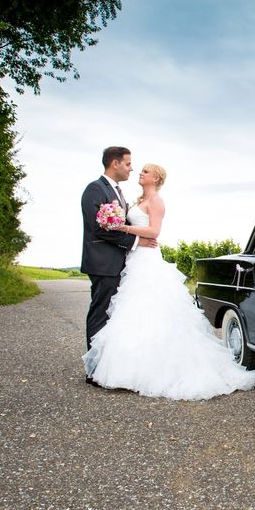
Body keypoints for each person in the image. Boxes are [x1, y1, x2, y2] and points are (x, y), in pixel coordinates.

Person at [81, 163, 255, 400]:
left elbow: (154, 232)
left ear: (156, 178)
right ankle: (134, 365)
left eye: (145, 171)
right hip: (133, 259)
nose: (140, 173)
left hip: (147, 259)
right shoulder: (134, 199)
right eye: (140, 170)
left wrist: (122, 226)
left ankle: (153, 368)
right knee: (132, 312)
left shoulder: (157, 201)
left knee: (152, 310)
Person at [81, 146, 157, 374]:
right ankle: (94, 369)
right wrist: (136, 243)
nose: (131, 169)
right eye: (127, 164)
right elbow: (100, 228)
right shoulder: (95, 189)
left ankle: (109, 365)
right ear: (115, 164)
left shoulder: (117, 192)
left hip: (117, 262)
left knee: (112, 315)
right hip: (102, 262)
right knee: (101, 313)